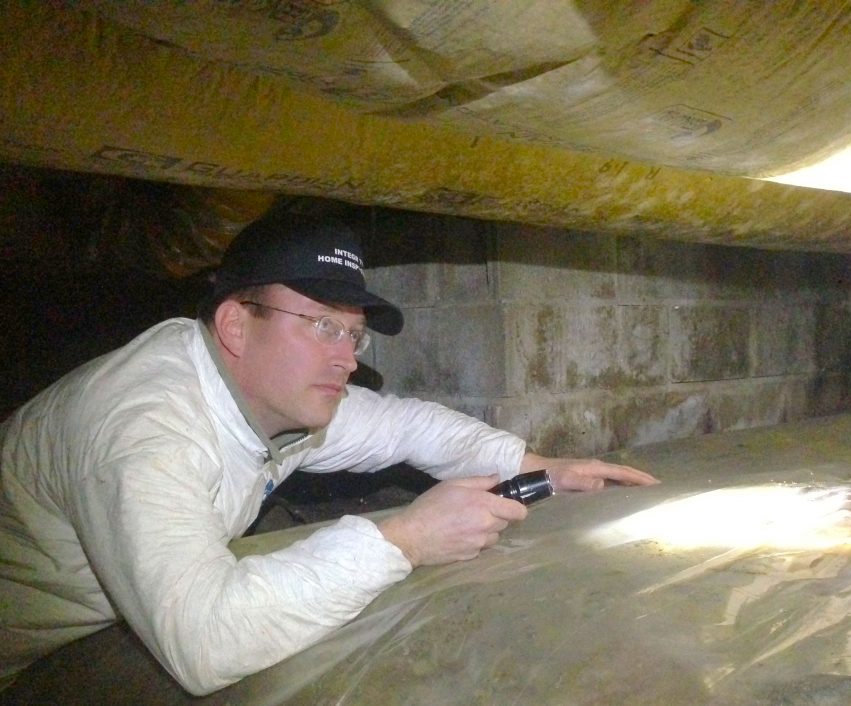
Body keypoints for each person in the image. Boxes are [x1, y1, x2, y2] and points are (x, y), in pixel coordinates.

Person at [0, 211, 657, 696]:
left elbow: (406, 427)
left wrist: (539, 467)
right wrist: (405, 538)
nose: (345, 356)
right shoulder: (144, 429)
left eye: (353, 334)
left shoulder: (267, 392)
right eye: (321, 326)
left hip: (108, 622)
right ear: (235, 322)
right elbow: (205, 641)